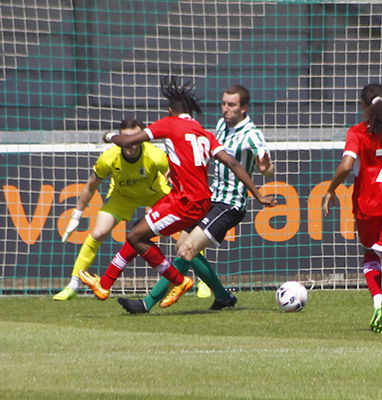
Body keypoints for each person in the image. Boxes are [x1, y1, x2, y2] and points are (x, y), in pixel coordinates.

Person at [79, 76, 275, 308]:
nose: (225, 109)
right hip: (205, 197)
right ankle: (222, 297)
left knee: (175, 246)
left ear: (243, 108)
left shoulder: (249, 134)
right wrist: (177, 170)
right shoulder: (211, 130)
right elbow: (213, 159)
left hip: (219, 204)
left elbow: (259, 166)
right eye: (223, 103)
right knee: (171, 243)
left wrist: (109, 136)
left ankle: (157, 295)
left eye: (231, 105)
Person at [323, 83, 382, 333]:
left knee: (369, 255)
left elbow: (346, 166)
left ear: (363, 106)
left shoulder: (357, 132)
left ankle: (377, 301)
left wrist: (331, 188)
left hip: (366, 204)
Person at [53, 119, 171, 301]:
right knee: (99, 233)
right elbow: (91, 186)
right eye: (125, 138)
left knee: (186, 228)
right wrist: (77, 214)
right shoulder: (109, 158)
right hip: (122, 197)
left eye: (135, 137)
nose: (130, 143)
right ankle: (73, 284)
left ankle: (202, 282)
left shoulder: (155, 155)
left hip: (154, 194)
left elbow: (176, 174)